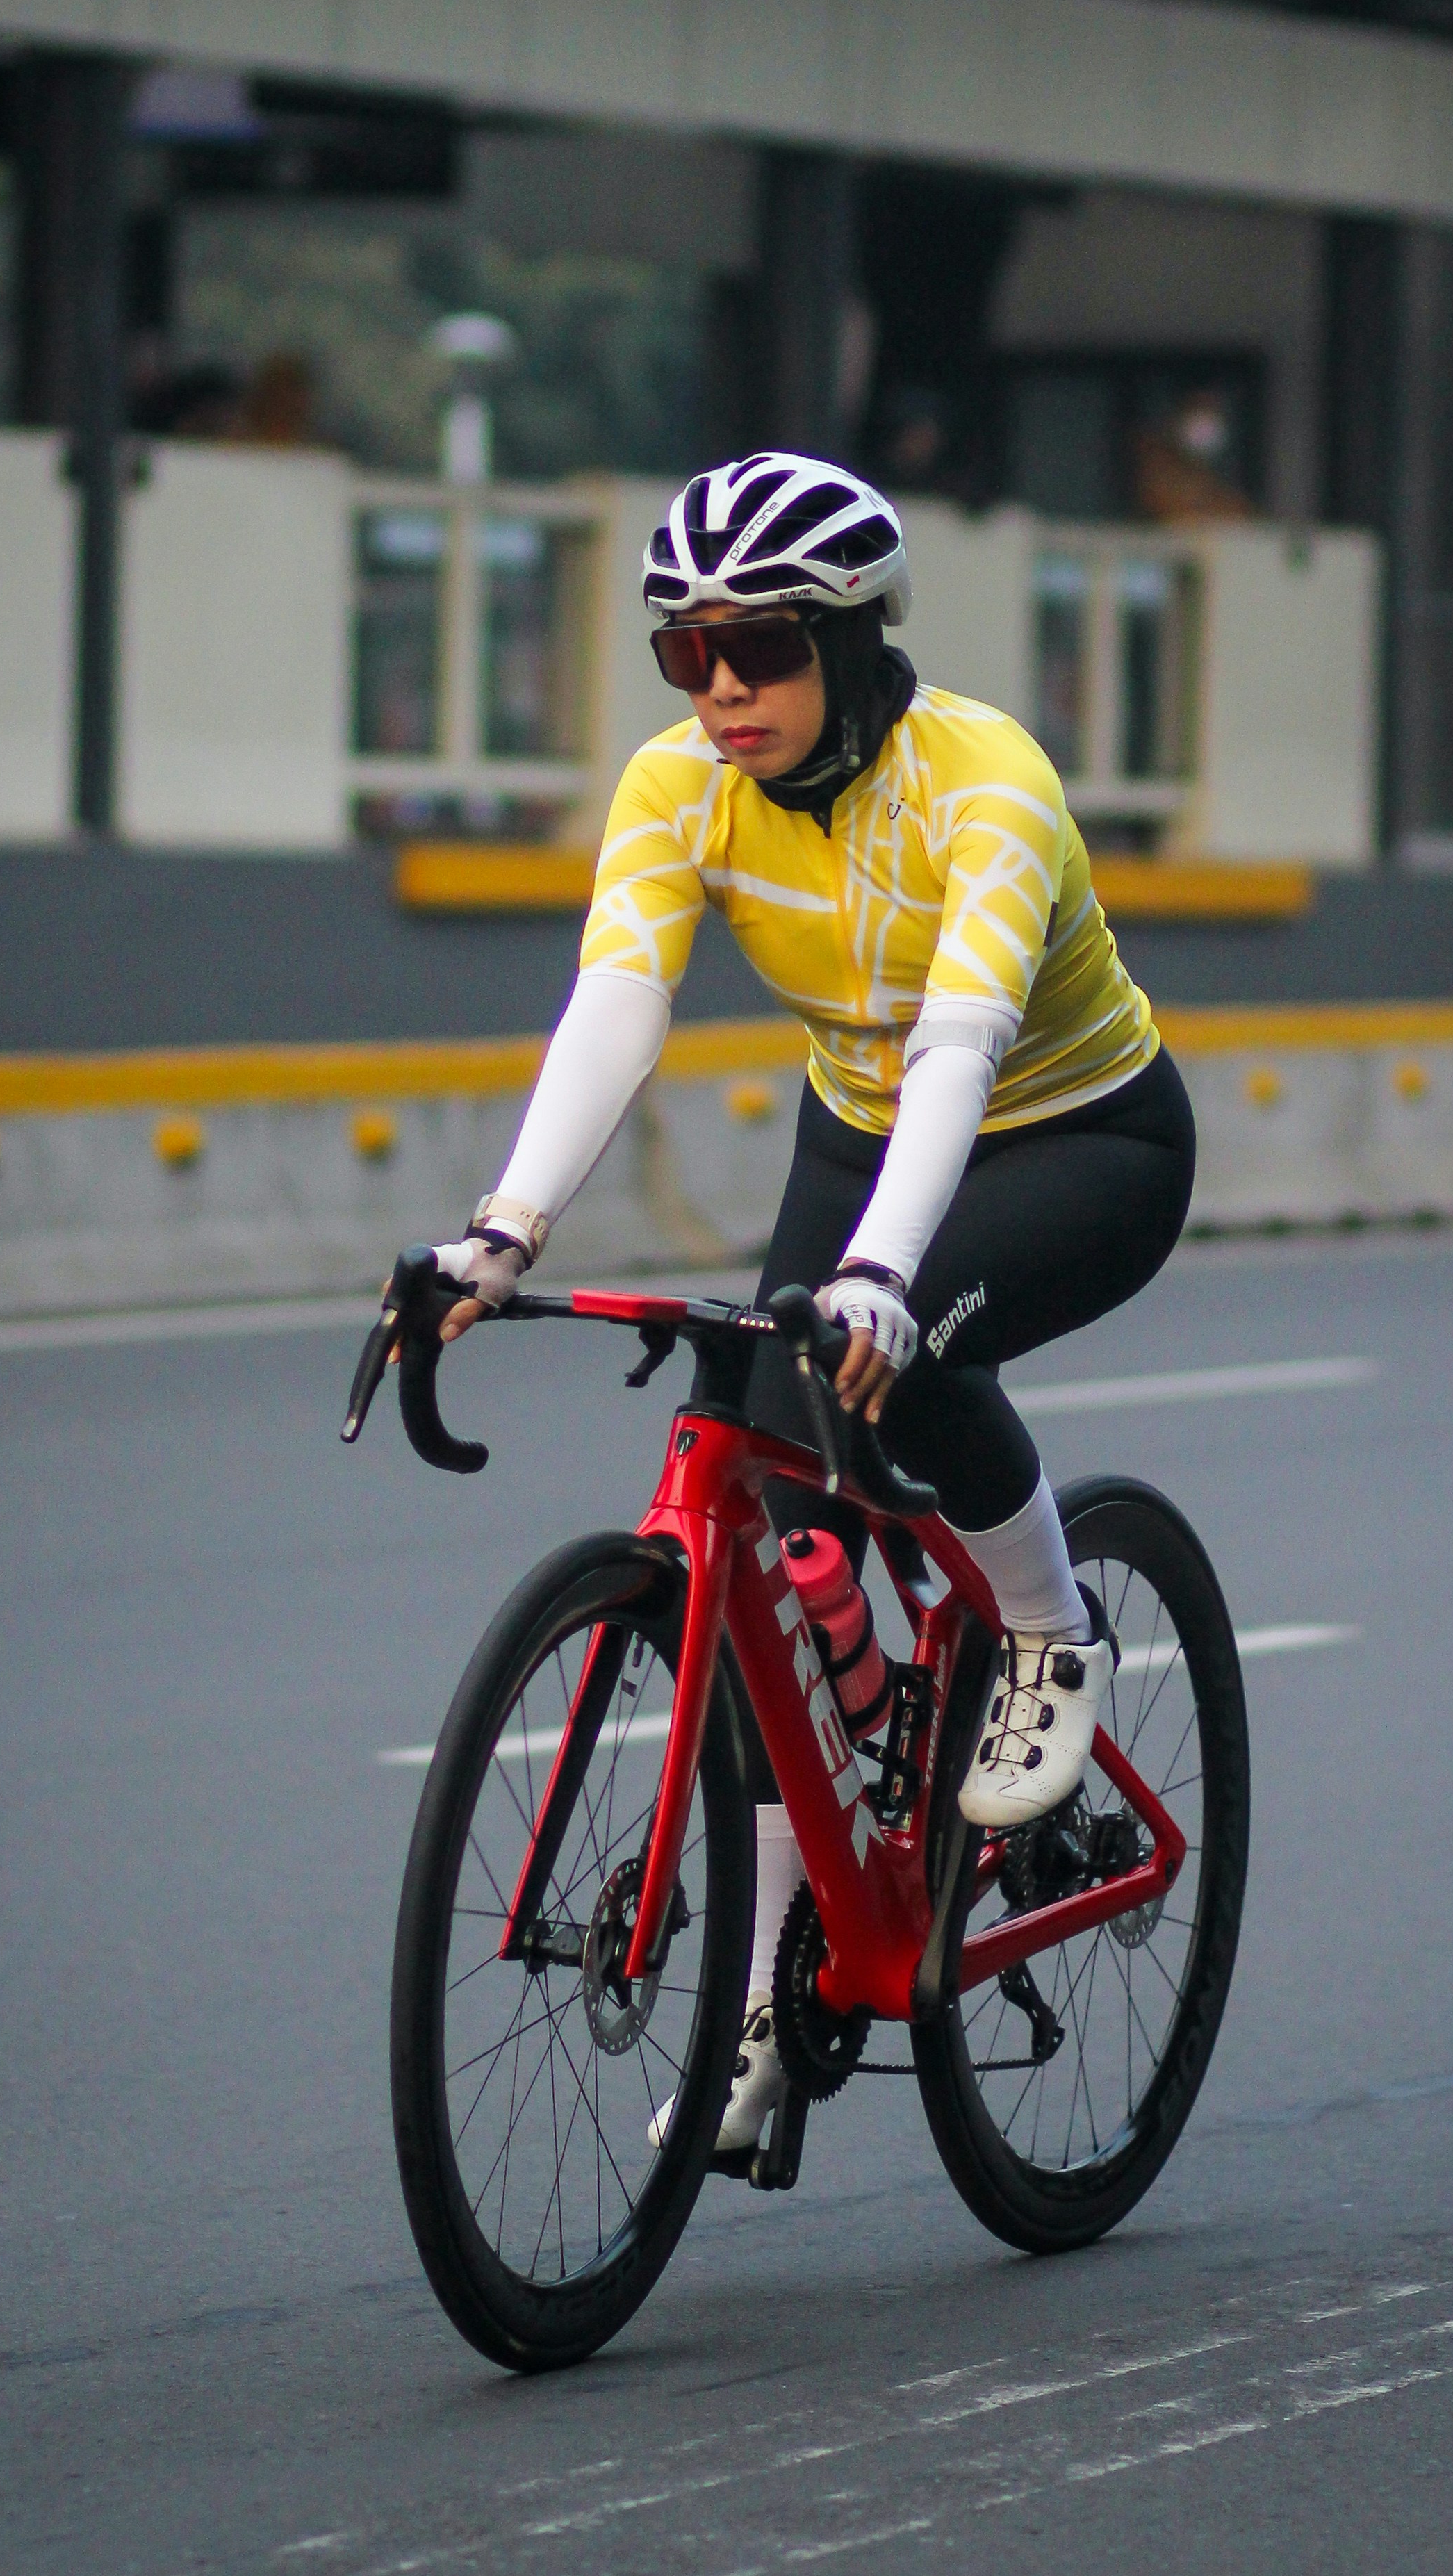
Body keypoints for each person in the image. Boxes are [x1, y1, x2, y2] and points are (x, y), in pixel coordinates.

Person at [428, 452, 1196, 2153]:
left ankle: (1048, 1629)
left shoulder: (984, 784)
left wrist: (884, 1279)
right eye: (682, 651)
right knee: (779, 1531)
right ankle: (780, 1986)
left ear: (852, 639)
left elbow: (959, 1048)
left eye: (757, 646)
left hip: (1077, 1136)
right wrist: (501, 1230)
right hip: (859, 1131)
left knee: (903, 1366)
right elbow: (617, 999)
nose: (717, 689)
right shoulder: (679, 782)